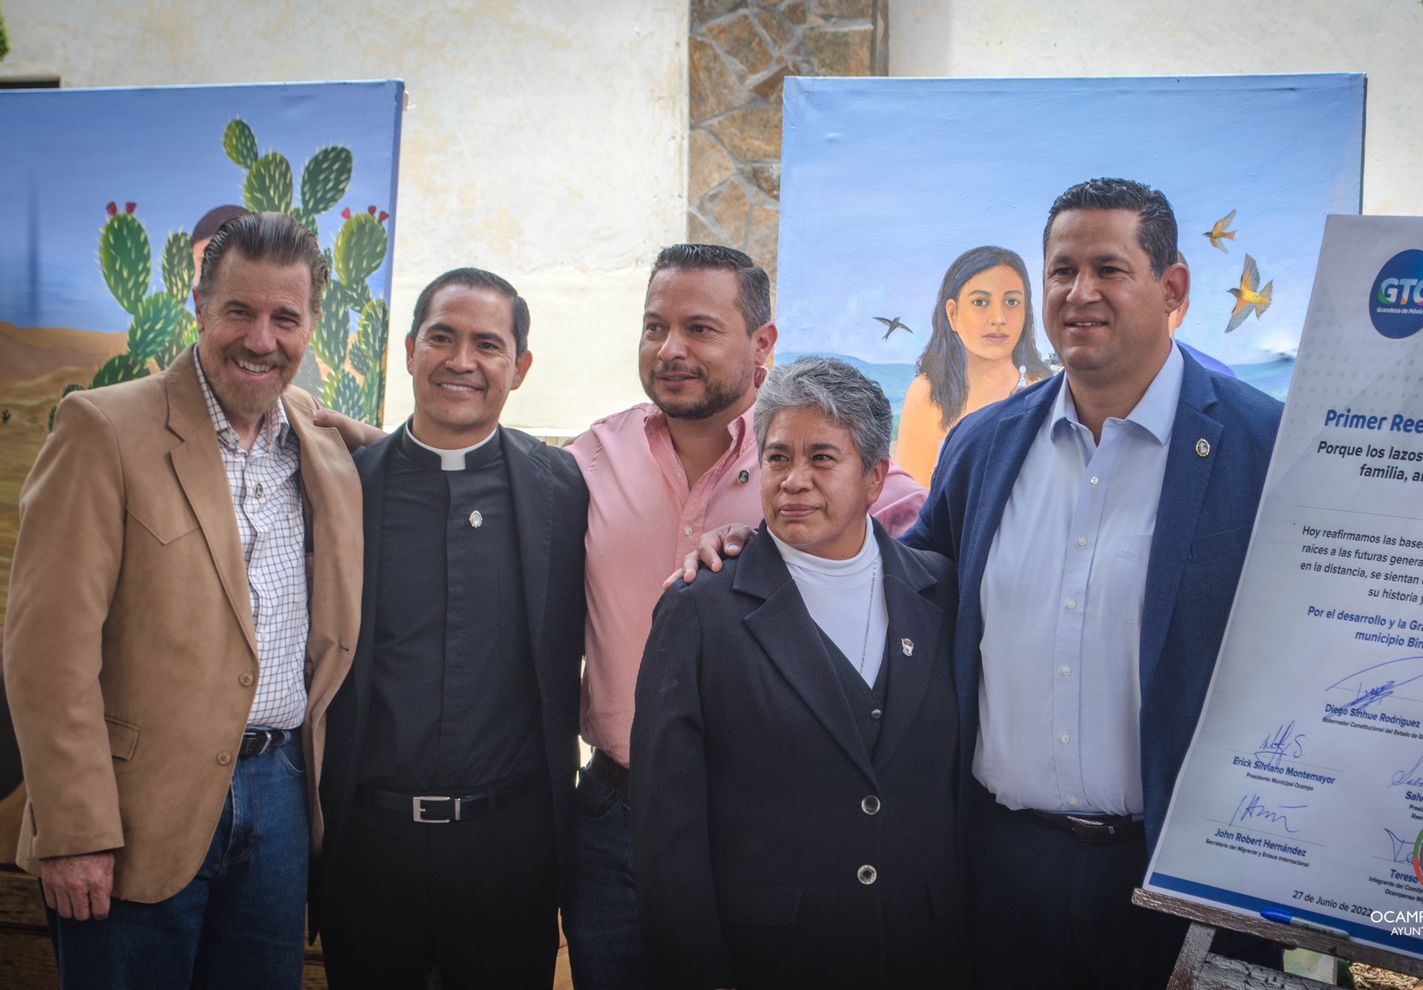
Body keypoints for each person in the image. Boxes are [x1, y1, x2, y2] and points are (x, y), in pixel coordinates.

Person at [683, 178, 1284, 988]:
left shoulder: (1263, 445)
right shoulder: (984, 444)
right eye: (1061, 271)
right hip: (998, 872)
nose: (1079, 293)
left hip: (1181, 876)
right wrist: (758, 551)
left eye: (1108, 269)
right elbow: (897, 579)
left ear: (1172, 288)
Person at [312, 244, 927, 986]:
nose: (671, 349)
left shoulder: (804, 464)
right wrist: (368, 456)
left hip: (763, 822)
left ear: (762, 343)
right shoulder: (587, 463)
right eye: (655, 326)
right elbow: (465, 467)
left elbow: (923, 555)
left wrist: (767, 541)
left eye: (699, 328)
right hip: (611, 820)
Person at [3, 211, 362, 989]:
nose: (260, 339)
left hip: (280, 800)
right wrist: (75, 829)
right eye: (238, 311)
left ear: (311, 326)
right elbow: (46, 652)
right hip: (135, 811)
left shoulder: (319, 437)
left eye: (284, 318)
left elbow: (413, 464)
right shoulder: (102, 428)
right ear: (199, 307)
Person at [633, 357, 968, 990]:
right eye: (778, 457)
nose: (794, 480)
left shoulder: (942, 594)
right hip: (769, 957)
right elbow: (667, 834)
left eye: (822, 458)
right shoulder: (699, 610)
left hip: (923, 952)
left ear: (874, 478)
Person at [312, 268, 587, 988]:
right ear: (409, 350)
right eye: (442, 338)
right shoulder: (346, 488)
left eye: (487, 345)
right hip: (369, 852)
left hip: (511, 856)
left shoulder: (562, 489)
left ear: (519, 367)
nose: (461, 361)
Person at [895, 246, 1052, 486]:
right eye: (980, 302)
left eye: (1012, 302)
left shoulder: (1045, 389)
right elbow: (914, 497)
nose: (998, 318)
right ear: (952, 313)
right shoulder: (929, 392)